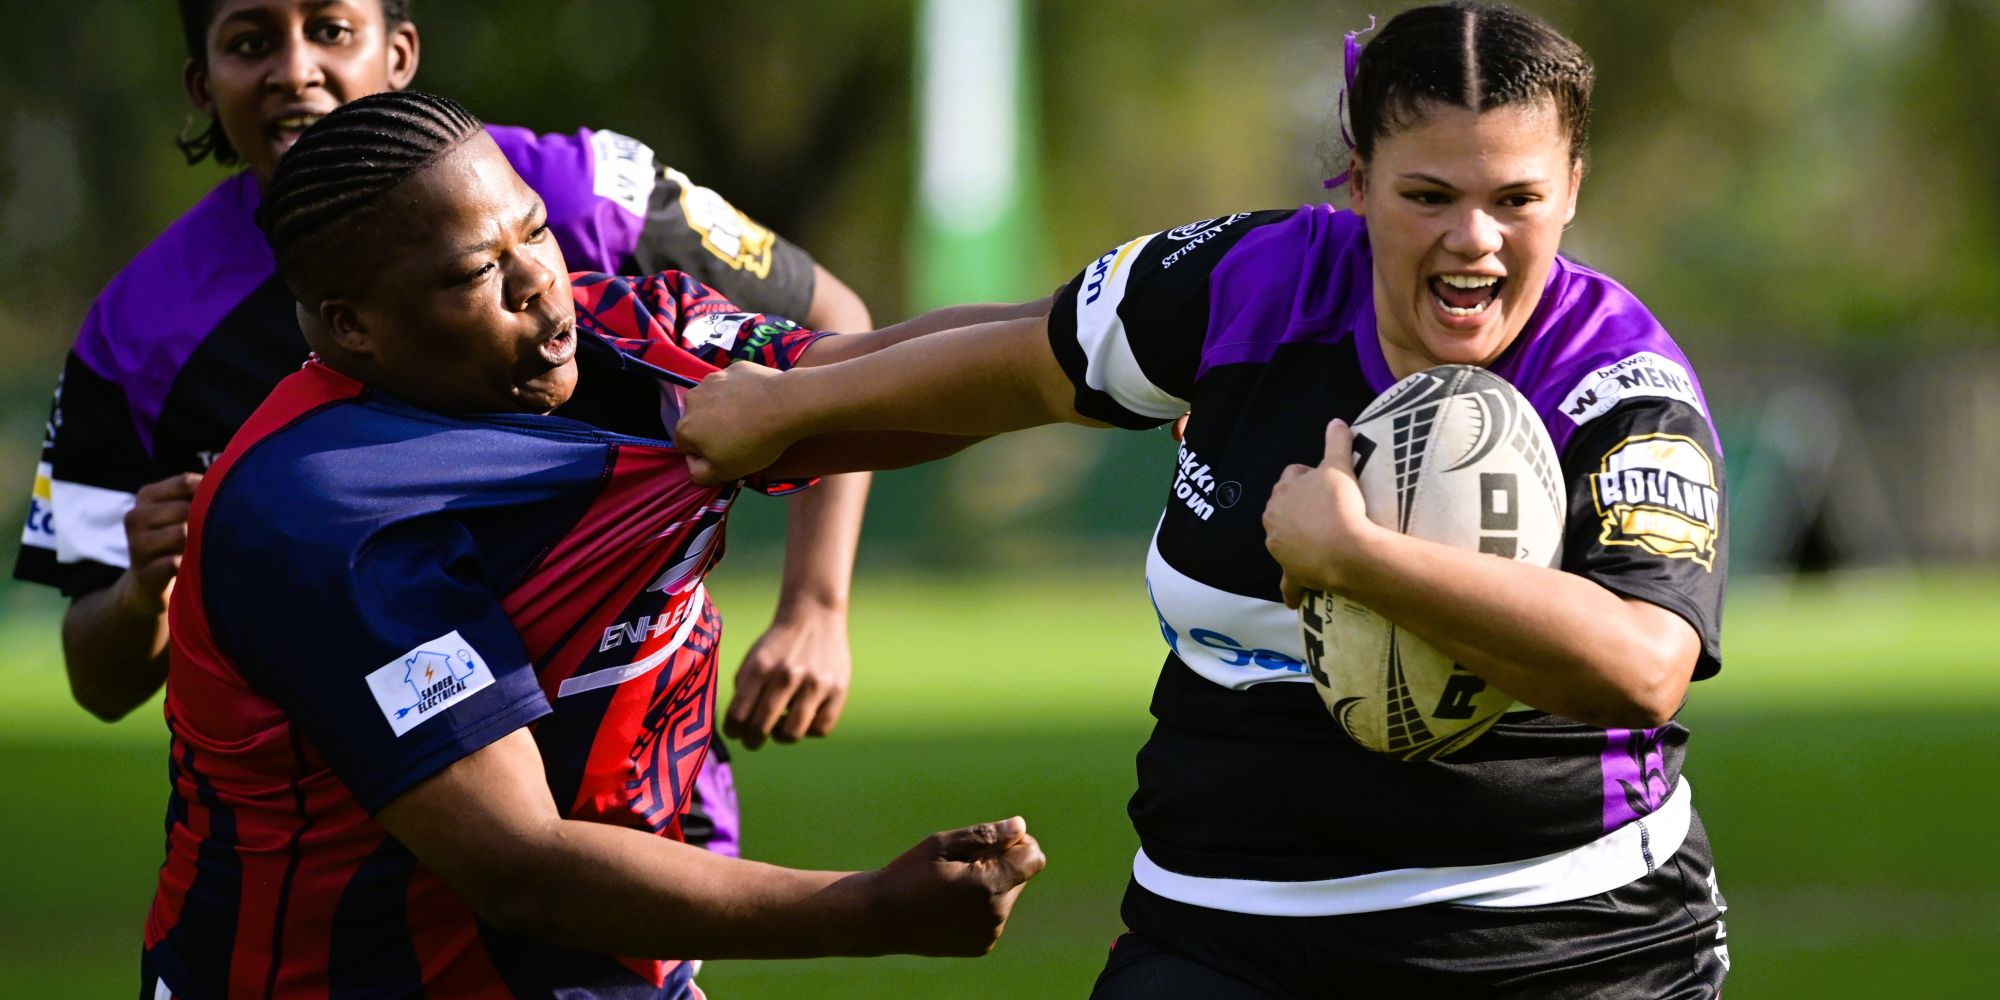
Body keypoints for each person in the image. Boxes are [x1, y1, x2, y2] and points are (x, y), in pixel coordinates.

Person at [676, 3, 1730, 996]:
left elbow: (1643, 667)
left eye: (1515, 199)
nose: (1473, 238)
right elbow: (1023, 364)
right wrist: (785, 404)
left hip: (1558, 936)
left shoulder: (1615, 383)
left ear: (1571, 188)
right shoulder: (1252, 281)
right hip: (1218, 934)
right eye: (1427, 196)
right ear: (1358, 182)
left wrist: (1357, 560)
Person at [143, 90, 1040, 998]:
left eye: (535, 231)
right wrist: (874, 909)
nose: (537, 280)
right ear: (354, 326)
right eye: (476, 271)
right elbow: (520, 867)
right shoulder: (323, 512)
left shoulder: (627, 329)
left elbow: (864, 382)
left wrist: (1091, 341)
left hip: (606, 961)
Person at [13, 0, 873, 859]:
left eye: (331, 30)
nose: (295, 69)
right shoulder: (137, 330)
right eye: (249, 43)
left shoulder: (575, 193)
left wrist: (815, 605)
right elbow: (98, 680)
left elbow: (830, 323)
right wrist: (142, 594)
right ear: (202, 85)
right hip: (363, 854)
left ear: (400, 53)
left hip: (645, 789)